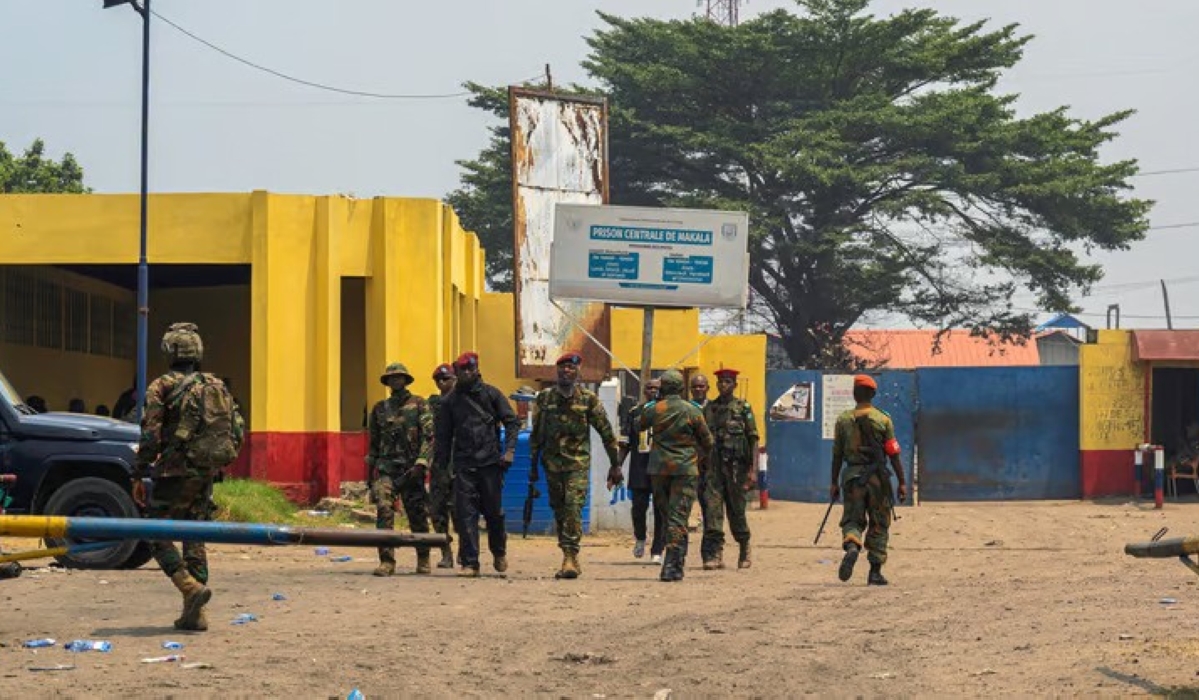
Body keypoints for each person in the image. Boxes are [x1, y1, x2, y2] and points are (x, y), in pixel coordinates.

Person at [131, 322, 244, 631]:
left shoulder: (161, 386)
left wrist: (139, 473)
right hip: (206, 472)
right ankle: (195, 614)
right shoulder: (215, 385)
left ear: (168, 350)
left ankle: (189, 587)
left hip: (173, 471)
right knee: (194, 536)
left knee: (155, 533)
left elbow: (151, 435)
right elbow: (237, 430)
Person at [529, 352, 622, 579]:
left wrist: (615, 465)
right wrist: (532, 466)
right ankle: (568, 554)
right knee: (560, 510)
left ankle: (570, 556)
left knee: (573, 507)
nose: (566, 372)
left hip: (577, 464)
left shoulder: (588, 400)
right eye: (562, 368)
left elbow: (607, 433)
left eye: (571, 368)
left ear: (578, 372)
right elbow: (537, 434)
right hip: (552, 464)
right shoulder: (545, 399)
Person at [433, 352, 521, 578]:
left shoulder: (492, 395)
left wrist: (509, 450)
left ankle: (499, 552)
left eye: (470, 369)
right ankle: (471, 563)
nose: (466, 373)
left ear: (476, 369)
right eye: (462, 370)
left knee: (494, 513)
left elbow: (511, 422)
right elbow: (443, 437)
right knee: (466, 515)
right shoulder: (450, 402)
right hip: (464, 466)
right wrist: (441, 468)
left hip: (490, 464)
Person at [830, 374, 908, 586]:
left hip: (852, 478)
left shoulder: (843, 420)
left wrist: (833, 482)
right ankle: (874, 572)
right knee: (879, 523)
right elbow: (893, 454)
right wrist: (901, 482)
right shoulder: (883, 419)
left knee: (852, 520)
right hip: (877, 479)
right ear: (872, 395)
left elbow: (837, 455)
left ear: (854, 395)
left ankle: (853, 545)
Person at [639, 369, 714, 582]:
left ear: (662, 387)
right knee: (678, 517)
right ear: (682, 388)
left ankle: (673, 561)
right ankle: (673, 565)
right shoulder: (692, 410)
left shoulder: (655, 409)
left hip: (659, 471)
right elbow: (708, 441)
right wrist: (702, 459)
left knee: (666, 516)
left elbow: (639, 425)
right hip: (685, 470)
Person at [366, 362, 435, 576]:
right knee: (384, 510)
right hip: (387, 469)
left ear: (406, 380)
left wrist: (422, 462)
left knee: (417, 515)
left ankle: (423, 558)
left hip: (412, 469)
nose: (395, 380)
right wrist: (370, 474)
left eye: (399, 377)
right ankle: (387, 560)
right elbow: (374, 444)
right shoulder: (379, 409)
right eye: (391, 378)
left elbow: (429, 436)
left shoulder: (420, 404)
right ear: (387, 382)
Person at [701, 368, 759, 570]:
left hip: (736, 469)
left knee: (737, 511)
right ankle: (715, 554)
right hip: (714, 469)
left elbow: (753, 440)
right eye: (720, 382)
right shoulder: (710, 408)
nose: (723, 385)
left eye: (727, 382)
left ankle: (744, 547)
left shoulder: (743, 408)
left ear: (734, 384)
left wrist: (753, 470)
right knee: (713, 510)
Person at [619, 378, 666, 564]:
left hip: (661, 468)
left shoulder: (667, 412)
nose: (653, 391)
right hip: (640, 467)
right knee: (638, 507)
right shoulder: (635, 412)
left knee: (661, 511)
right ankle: (640, 537)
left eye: (657, 388)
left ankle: (657, 550)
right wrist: (617, 466)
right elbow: (625, 443)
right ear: (644, 391)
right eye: (649, 388)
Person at [427, 362, 457, 569]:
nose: (441, 383)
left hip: (461, 464)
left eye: (446, 379)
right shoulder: (433, 405)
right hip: (440, 464)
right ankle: (446, 552)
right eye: (438, 380)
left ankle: (467, 553)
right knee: (437, 511)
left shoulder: (466, 401)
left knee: (461, 511)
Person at [688, 373, 711, 532]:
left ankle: (706, 521)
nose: (698, 389)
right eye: (695, 386)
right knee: (687, 491)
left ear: (707, 388)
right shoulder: (685, 408)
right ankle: (687, 522)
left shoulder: (713, 408)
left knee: (708, 493)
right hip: (689, 457)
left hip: (709, 458)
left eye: (701, 386)